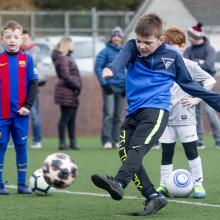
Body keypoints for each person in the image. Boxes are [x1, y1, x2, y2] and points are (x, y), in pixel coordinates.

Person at [91, 13, 220, 216]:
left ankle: (119, 182)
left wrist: (216, 102)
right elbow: (120, 60)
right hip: (133, 111)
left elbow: (188, 84)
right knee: (125, 152)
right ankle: (153, 196)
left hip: (156, 111)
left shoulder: (173, 56)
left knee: (137, 149)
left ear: (160, 40)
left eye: (147, 42)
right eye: (140, 40)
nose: (142, 46)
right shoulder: (132, 47)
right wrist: (111, 69)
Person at [157, 27, 216, 199]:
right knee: (166, 153)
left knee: (191, 151)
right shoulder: (160, 66)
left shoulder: (190, 65)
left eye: (172, 45)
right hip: (166, 117)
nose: (167, 49)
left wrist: (197, 98)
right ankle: (164, 185)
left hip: (186, 117)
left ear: (182, 46)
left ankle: (198, 184)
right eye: (165, 45)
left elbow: (210, 80)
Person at [0, 20, 38, 194]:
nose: (12, 40)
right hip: (2, 115)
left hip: (21, 114)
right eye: (8, 37)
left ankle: (22, 184)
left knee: (21, 147)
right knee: (0, 146)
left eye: (16, 37)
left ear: (22, 40)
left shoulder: (28, 60)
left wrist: (27, 106)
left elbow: (33, 85)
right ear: (2, 39)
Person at [184, 22, 220, 149]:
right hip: (194, 84)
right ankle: (199, 141)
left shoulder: (209, 49)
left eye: (190, 36)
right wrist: (199, 62)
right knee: (196, 112)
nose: (188, 38)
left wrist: (194, 63)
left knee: (210, 111)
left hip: (207, 83)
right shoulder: (188, 50)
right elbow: (185, 65)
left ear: (196, 37)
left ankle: (219, 140)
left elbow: (209, 65)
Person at [95, 26, 126, 149]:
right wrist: (104, 83)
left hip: (122, 87)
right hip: (109, 88)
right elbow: (98, 68)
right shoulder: (105, 52)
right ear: (111, 38)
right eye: (114, 35)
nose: (116, 38)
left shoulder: (125, 52)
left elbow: (131, 69)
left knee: (118, 116)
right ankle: (107, 140)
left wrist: (127, 86)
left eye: (119, 36)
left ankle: (116, 140)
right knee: (109, 114)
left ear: (122, 38)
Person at [51, 37, 82, 150]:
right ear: (67, 45)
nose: (73, 46)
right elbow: (65, 75)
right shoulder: (63, 58)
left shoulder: (67, 57)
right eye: (72, 44)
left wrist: (77, 86)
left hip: (70, 92)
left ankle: (72, 142)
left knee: (71, 118)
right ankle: (62, 143)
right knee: (65, 117)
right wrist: (77, 85)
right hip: (66, 91)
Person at [21, 30, 46, 149]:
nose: (24, 40)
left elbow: (30, 66)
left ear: (30, 39)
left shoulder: (35, 51)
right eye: (22, 38)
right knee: (15, 115)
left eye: (26, 38)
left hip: (31, 89)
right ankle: (15, 140)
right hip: (18, 89)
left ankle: (37, 140)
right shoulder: (16, 51)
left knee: (35, 115)